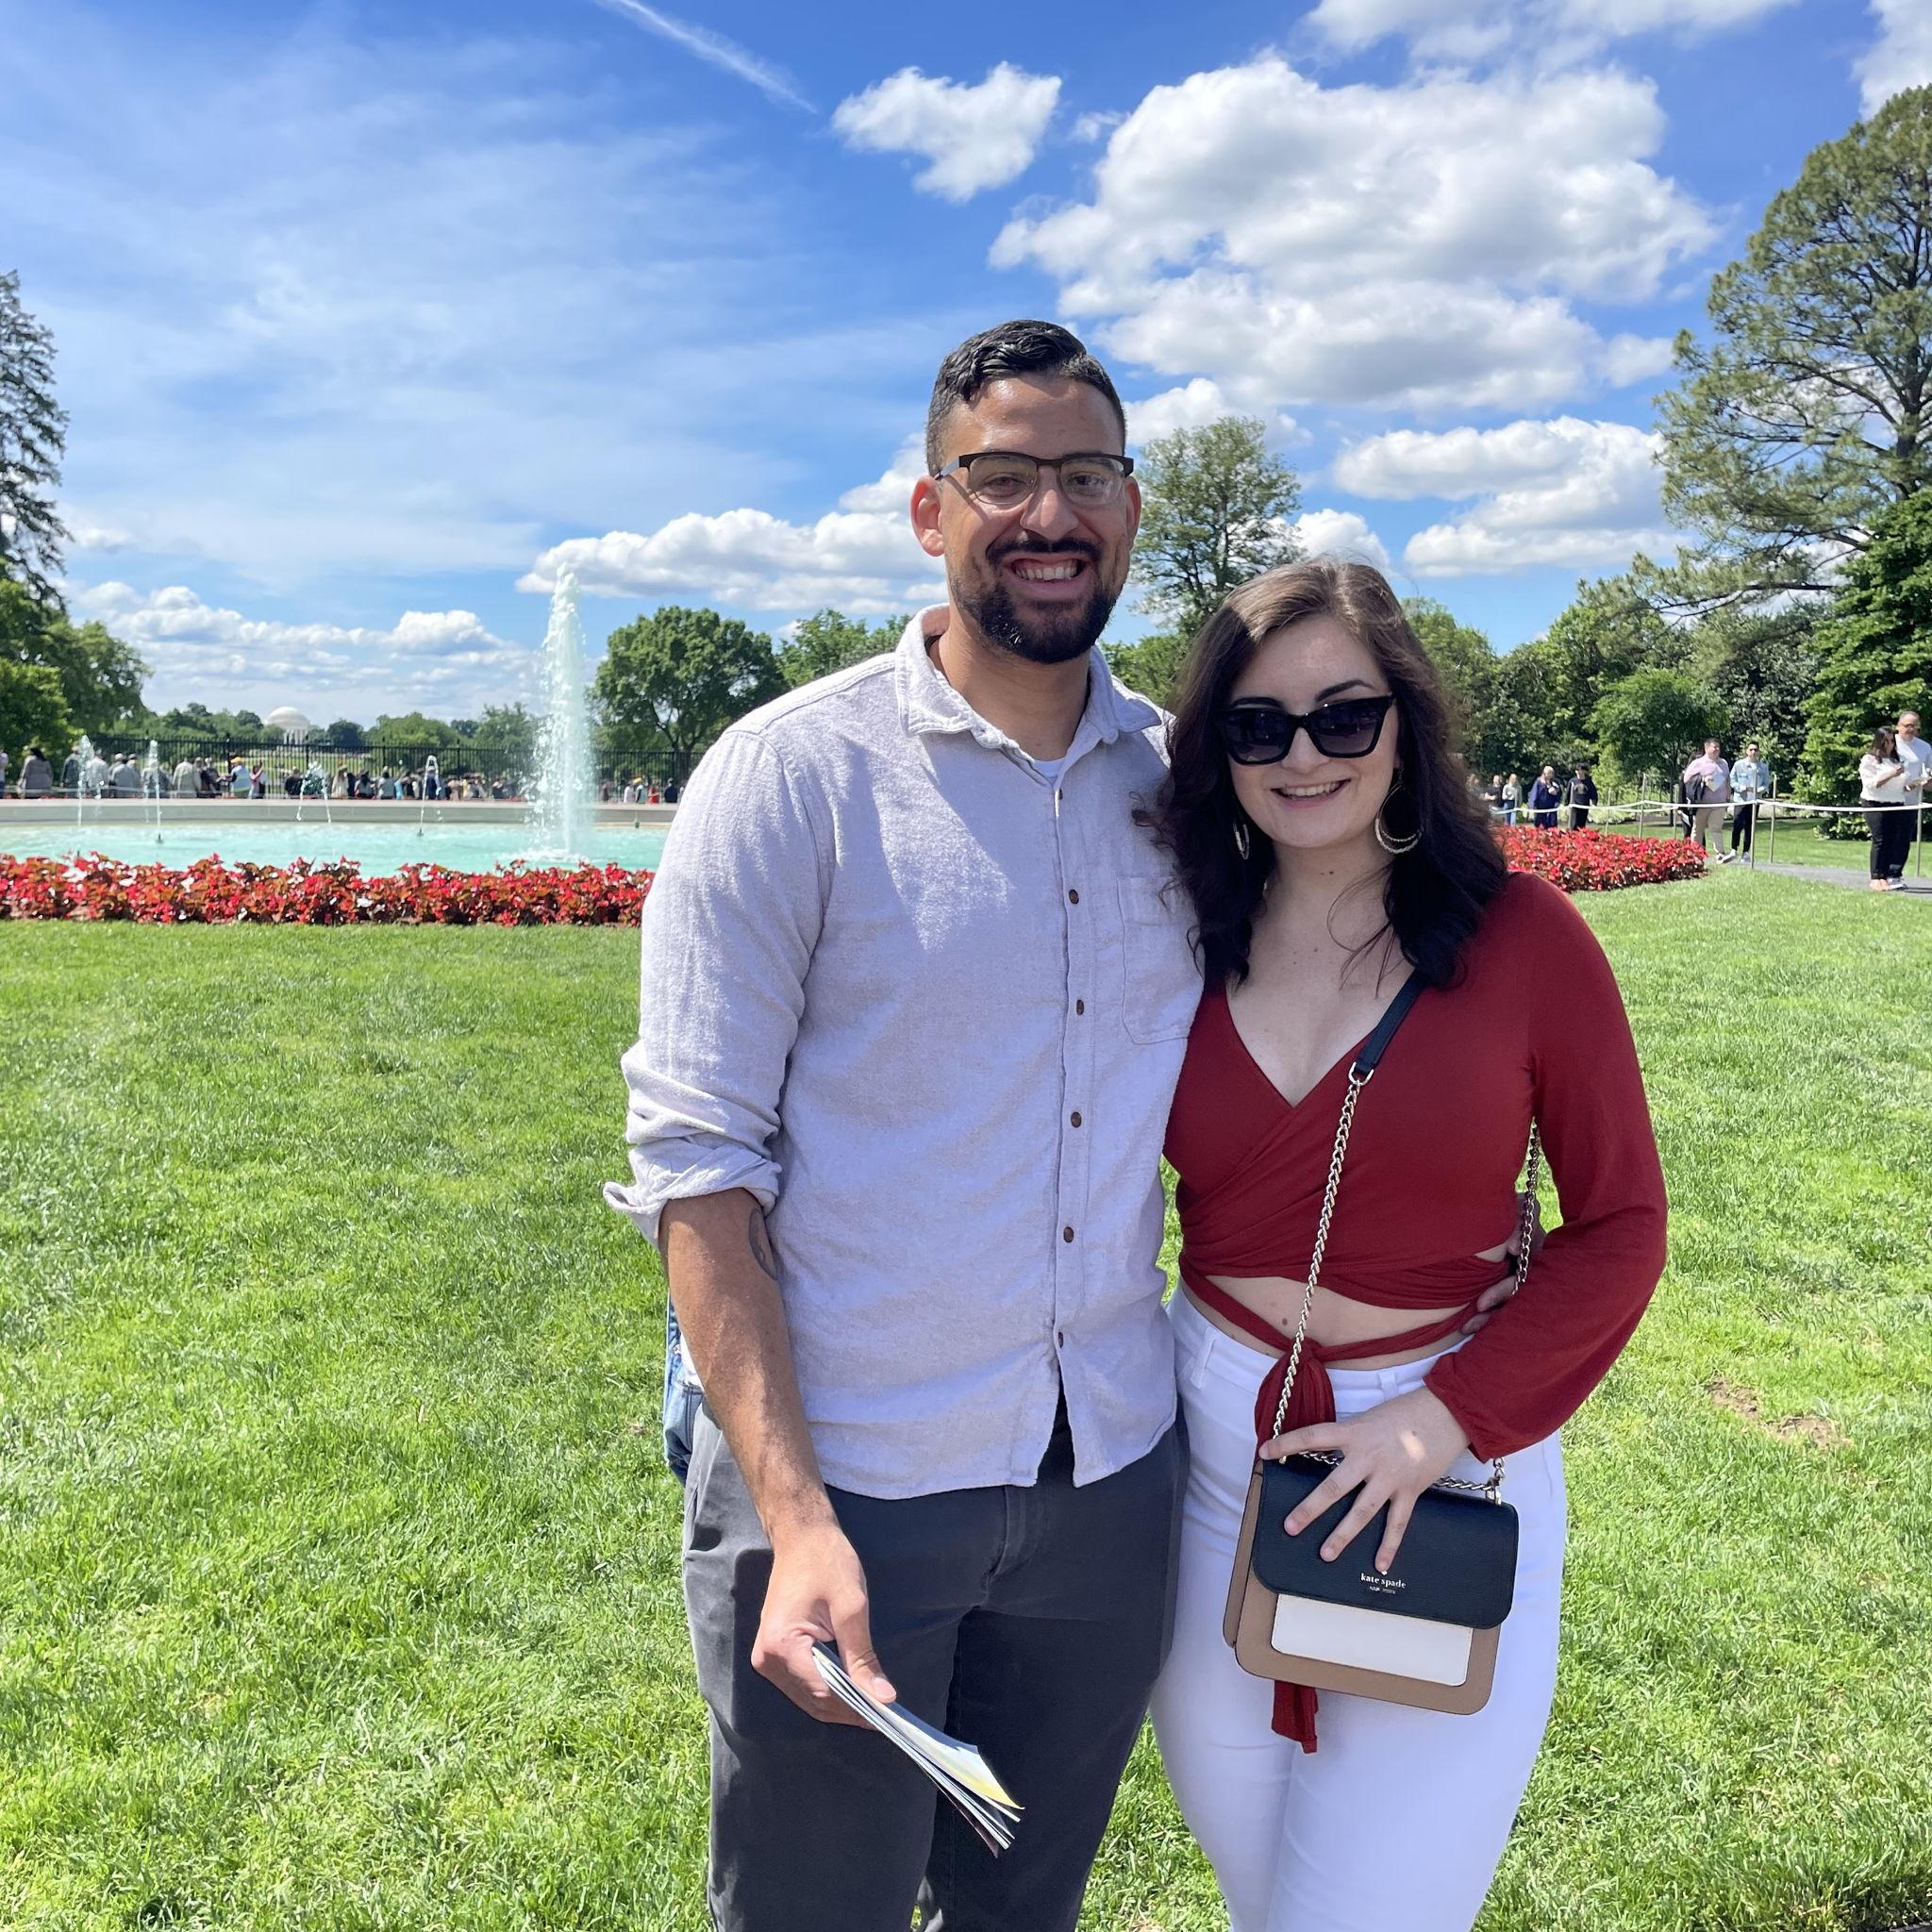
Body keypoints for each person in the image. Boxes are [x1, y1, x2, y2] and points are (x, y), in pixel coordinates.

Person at [608, 320, 1196, 1932]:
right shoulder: (788, 778)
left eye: (1083, 473)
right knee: (816, 1911)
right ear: (928, 513)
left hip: (1107, 1482)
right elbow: (696, 1168)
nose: (1046, 511)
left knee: (1025, 1911)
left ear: (1132, 508)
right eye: (997, 475)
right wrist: (792, 1516)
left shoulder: (1185, 784)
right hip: (849, 1481)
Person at [1141, 559, 1667, 1932]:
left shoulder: (1526, 940)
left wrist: (1442, 1425)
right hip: (1212, 1447)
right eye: (1260, 725)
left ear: (1406, 723)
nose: (1304, 754)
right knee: (1264, 1894)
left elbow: (1619, 1228)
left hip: (1439, 1461)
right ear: (1220, 751)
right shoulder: (1181, 937)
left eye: (1343, 715)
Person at [1860, 725, 1911, 891]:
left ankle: (1885, 876)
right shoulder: (1869, 760)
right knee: (1880, 839)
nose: (1889, 745)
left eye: (1891, 741)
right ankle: (1876, 877)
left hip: (1896, 803)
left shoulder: (1896, 760)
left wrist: (1909, 785)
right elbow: (1872, 784)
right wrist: (1892, 774)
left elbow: (1899, 784)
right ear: (1879, 742)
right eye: (1886, 741)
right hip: (1875, 803)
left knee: (1892, 840)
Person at [1680, 739, 1730, 856]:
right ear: (1707, 748)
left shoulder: (1724, 763)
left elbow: (1727, 781)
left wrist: (1728, 799)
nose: (1717, 749)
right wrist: (1703, 779)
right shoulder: (1698, 763)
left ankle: (1720, 853)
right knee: (1698, 829)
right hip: (1702, 803)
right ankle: (1695, 853)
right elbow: (1686, 779)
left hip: (1719, 803)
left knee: (1716, 828)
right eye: (1714, 747)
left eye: (1718, 747)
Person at [1728, 741, 1770, 860]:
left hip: (1754, 801)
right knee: (1737, 824)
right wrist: (1739, 787)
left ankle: (1746, 852)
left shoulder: (1762, 767)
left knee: (1750, 827)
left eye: (1755, 750)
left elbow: (1766, 783)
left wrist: (1760, 789)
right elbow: (1732, 780)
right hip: (1741, 800)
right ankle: (1733, 849)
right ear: (1746, 751)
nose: (1753, 752)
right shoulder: (1738, 765)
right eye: (1751, 749)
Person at [1897, 710, 1929, 852]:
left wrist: (1925, 781)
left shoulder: (1925, 747)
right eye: (1907, 725)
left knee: (1904, 838)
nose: (1910, 730)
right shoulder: (1890, 742)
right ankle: (1881, 872)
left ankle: (1896, 872)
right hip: (1887, 798)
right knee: (1887, 837)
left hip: (1911, 801)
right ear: (1899, 726)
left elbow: (1929, 772)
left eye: (1914, 727)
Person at [1525, 765, 1560, 830]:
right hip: (1540, 809)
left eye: (1551, 773)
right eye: (1549, 773)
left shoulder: (1555, 782)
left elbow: (1557, 793)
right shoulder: (1538, 782)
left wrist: (1550, 786)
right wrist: (1532, 806)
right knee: (1540, 827)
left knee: (1552, 827)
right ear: (1544, 773)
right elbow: (1534, 794)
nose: (1550, 775)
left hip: (1551, 809)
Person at [1566, 763, 1597, 831]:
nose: (1579, 772)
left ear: (1584, 771)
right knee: (1573, 825)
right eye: (1577, 770)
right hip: (1574, 808)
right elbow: (1568, 794)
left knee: (1582, 826)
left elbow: (1593, 793)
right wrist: (1566, 805)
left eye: (1580, 770)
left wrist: (1594, 803)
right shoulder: (1572, 781)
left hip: (1584, 807)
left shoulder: (1588, 782)